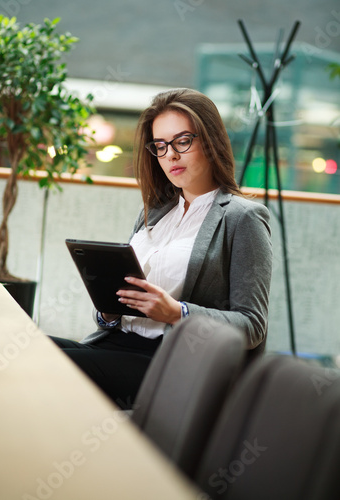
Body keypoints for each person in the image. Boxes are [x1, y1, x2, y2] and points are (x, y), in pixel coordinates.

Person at [50, 88, 272, 409]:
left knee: (50, 368)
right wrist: (109, 311)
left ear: (210, 141)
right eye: (161, 145)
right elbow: (118, 308)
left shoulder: (242, 217)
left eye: (183, 141)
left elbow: (252, 327)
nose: (171, 155)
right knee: (32, 349)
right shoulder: (154, 211)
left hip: (169, 362)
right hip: (115, 342)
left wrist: (176, 313)